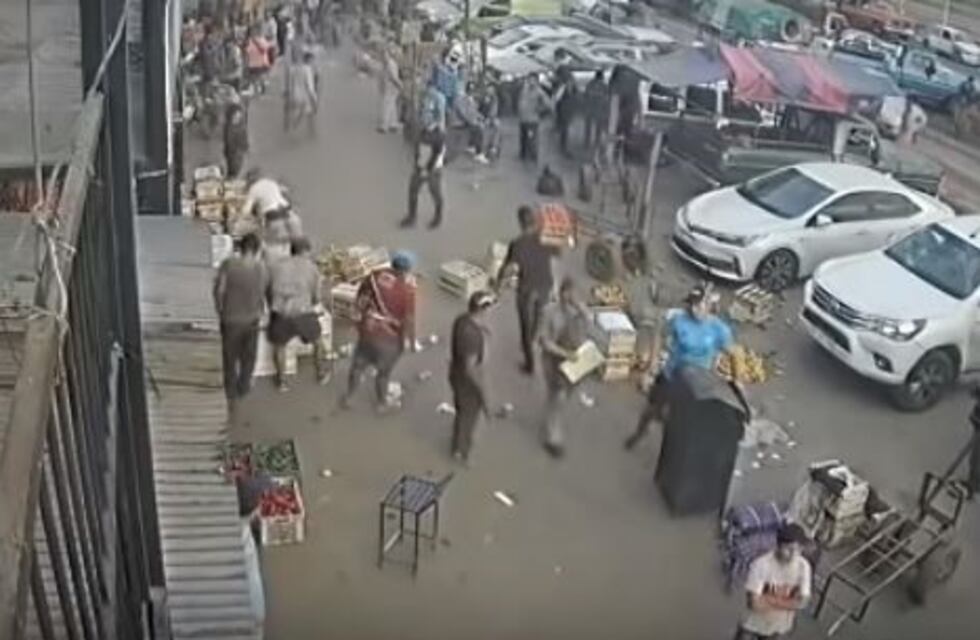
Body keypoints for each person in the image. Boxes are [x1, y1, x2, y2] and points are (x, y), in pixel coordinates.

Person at [624, 284, 739, 450]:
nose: (695, 310)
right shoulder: (679, 320)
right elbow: (659, 334)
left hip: (696, 385)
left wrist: (735, 380)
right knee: (651, 408)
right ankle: (640, 433)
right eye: (693, 305)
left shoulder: (718, 329)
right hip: (671, 375)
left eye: (700, 305)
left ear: (709, 306)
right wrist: (653, 363)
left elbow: (734, 354)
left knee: (682, 424)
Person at [340, 252, 417, 412]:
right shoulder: (407, 290)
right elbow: (409, 319)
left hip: (368, 331)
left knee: (357, 367)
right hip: (389, 339)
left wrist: (359, 322)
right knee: (383, 374)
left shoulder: (374, 277)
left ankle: (348, 397)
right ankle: (382, 404)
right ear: (407, 270)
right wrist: (411, 340)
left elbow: (360, 299)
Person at [495, 205, 556, 375]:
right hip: (545, 285)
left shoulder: (517, 244)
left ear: (521, 223)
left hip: (528, 290)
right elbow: (555, 253)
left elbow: (507, 267)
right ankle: (535, 338)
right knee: (539, 316)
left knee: (525, 325)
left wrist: (498, 284)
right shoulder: (545, 237)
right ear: (534, 221)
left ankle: (530, 364)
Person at [265, 237, 327, 391]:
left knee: (280, 346)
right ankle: (320, 373)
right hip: (303, 313)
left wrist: (274, 307)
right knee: (318, 342)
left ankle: (281, 381)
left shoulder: (276, 266)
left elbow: (268, 291)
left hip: (281, 315)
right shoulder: (312, 268)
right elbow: (317, 297)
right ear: (306, 251)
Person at [539, 277, 591, 458]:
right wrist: (565, 353)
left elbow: (588, 327)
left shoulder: (577, 312)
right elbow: (545, 342)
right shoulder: (549, 312)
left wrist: (581, 309)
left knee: (563, 395)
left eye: (575, 296)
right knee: (557, 397)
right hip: (553, 361)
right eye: (569, 294)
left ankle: (553, 421)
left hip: (573, 363)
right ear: (562, 292)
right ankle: (552, 435)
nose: (572, 299)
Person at [213, 233, 268, 407]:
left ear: (240, 247)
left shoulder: (228, 264)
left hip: (230, 319)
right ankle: (243, 386)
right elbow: (263, 292)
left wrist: (220, 309)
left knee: (229, 357)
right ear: (257, 249)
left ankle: (230, 392)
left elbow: (219, 290)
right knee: (248, 357)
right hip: (252, 319)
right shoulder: (261, 268)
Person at [735, 523, 812, 640]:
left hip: (779, 627)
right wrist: (790, 603)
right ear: (778, 546)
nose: (793, 554)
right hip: (752, 624)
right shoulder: (761, 565)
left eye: (798, 549)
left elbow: (803, 603)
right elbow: (754, 604)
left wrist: (767, 599)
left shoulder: (803, 567)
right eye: (789, 549)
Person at [449, 291, 495, 464]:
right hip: (467, 382)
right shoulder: (472, 337)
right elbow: (471, 369)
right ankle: (461, 451)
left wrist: (482, 328)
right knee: (468, 416)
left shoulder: (461, 320)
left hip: (455, 372)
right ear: (482, 310)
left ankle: (459, 443)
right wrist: (484, 395)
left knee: (463, 412)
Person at [401, 125, 445, 229]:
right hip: (420, 167)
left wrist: (427, 169)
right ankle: (412, 217)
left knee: (435, 193)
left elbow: (437, 154)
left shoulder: (439, 135)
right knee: (413, 191)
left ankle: (438, 217)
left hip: (433, 170)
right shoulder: (422, 131)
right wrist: (416, 163)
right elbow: (418, 149)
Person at [517, 74, 551, 162]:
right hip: (523, 119)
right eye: (530, 80)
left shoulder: (539, 92)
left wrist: (539, 110)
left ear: (537, 81)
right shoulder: (524, 90)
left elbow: (548, 104)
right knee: (523, 138)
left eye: (533, 80)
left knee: (531, 138)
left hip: (532, 120)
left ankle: (533, 156)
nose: (531, 82)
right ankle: (523, 155)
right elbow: (520, 101)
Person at [285, 49, 319, 133]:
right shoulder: (307, 69)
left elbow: (290, 83)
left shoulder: (293, 69)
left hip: (295, 93)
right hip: (305, 95)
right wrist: (314, 98)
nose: (314, 62)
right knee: (309, 113)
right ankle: (310, 131)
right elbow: (310, 86)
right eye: (312, 60)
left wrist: (289, 95)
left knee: (302, 112)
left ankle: (293, 126)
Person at [377, 45, 403, 133]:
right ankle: (393, 124)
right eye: (382, 55)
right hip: (390, 88)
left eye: (385, 54)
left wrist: (400, 86)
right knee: (392, 106)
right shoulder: (387, 63)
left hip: (392, 88)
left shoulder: (390, 64)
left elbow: (394, 78)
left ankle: (384, 126)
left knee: (387, 106)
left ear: (388, 54)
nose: (383, 57)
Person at [583, 70, 609, 150]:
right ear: (601, 77)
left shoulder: (590, 84)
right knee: (598, 127)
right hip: (597, 109)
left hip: (591, 108)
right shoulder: (604, 85)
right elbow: (606, 97)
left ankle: (587, 143)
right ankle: (595, 143)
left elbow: (586, 95)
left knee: (590, 127)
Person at [223, 103, 249, 178]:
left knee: (237, 169)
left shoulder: (240, 124)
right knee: (233, 171)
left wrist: (246, 146)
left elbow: (244, 136)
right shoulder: (229, 127)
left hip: (239, 152)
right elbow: (229, 142)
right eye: (236, 115)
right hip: (233, 154)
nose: (238, 116)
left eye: (239, 115)